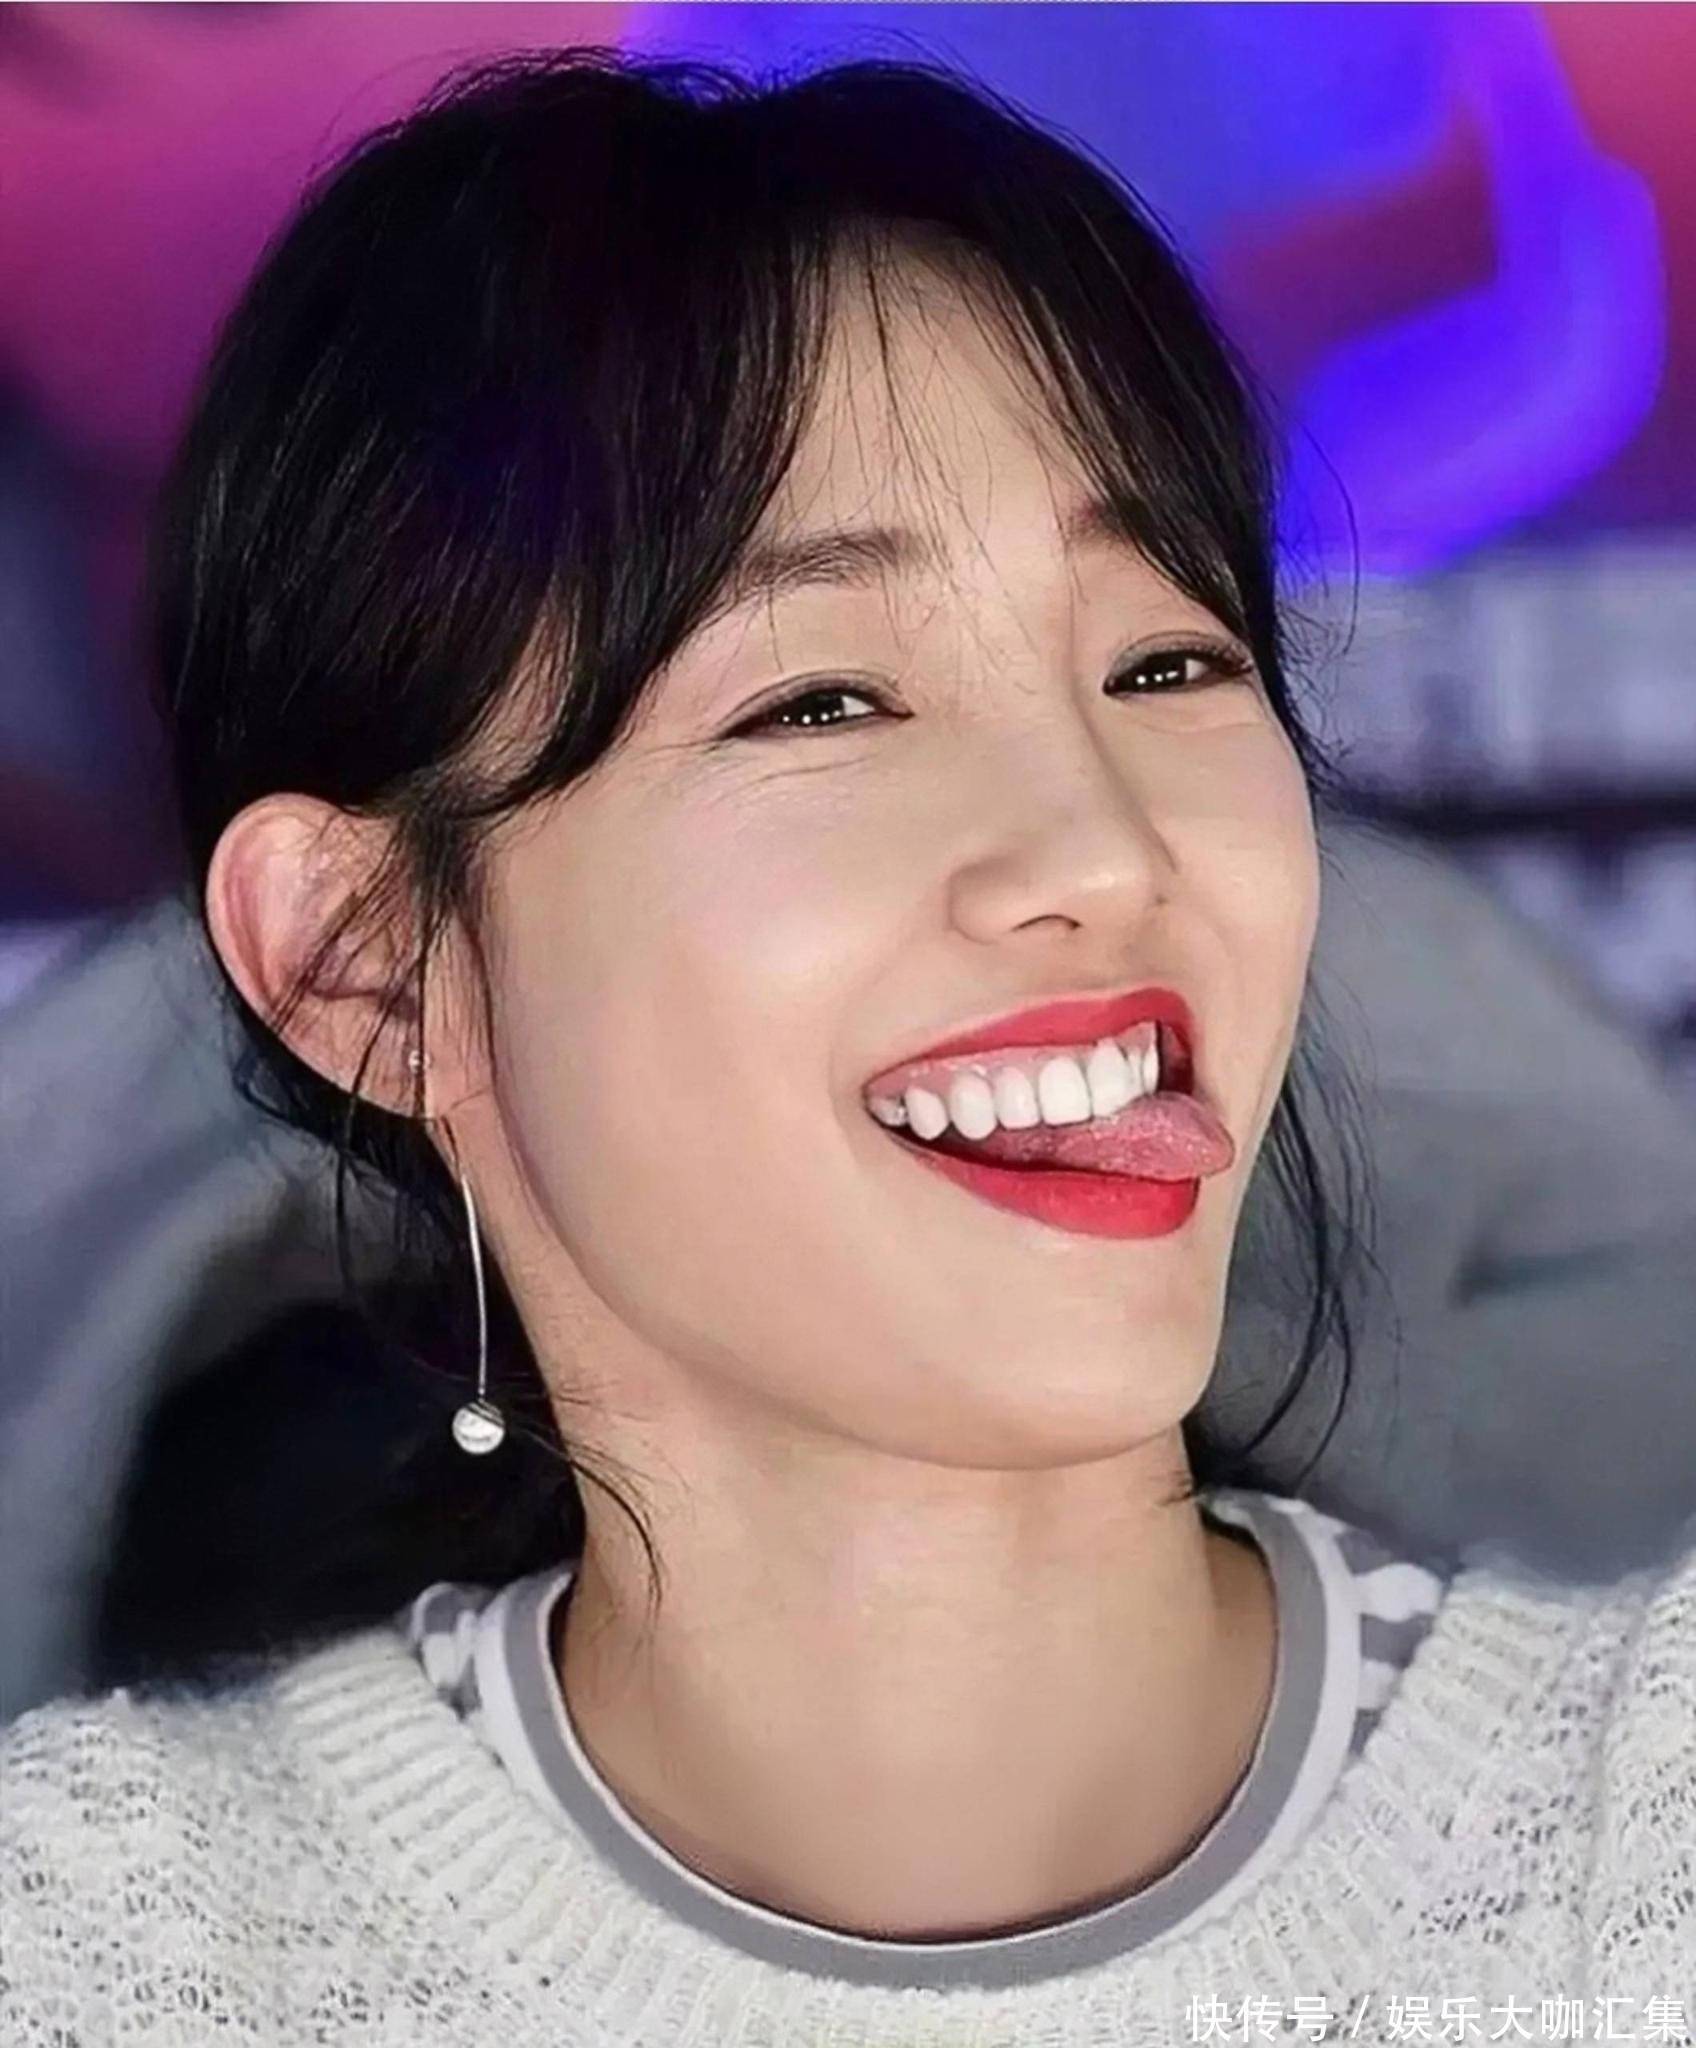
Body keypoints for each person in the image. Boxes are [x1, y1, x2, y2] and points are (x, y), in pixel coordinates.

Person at [3, 46, 1694, 2038]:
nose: (1105, 851)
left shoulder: (1642, 1840)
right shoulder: (101, 1952)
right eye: (821, 702)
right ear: (364, 963)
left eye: (1167, 661)